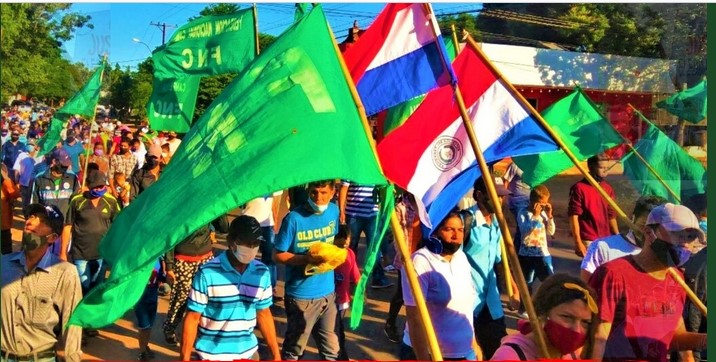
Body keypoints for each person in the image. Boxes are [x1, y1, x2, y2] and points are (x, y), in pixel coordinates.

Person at [589, 203, 707, 361]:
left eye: (690, 237)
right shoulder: (613, 274)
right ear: (649, 232)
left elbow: (672, 337)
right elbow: (597, 338)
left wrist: (705, 340)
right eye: (677, 234)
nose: (685, 244)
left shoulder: (676, 280)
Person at [181, 215, 279, 361]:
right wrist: (184, 358)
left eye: (255, 243)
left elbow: (263, 314)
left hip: (248, 354)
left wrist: (276, 355)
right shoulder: (207, 274)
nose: (251, 248)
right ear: (230, 241)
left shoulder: (262, 273)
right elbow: (193, 318)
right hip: (212, 356)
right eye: (245, 242)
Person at [1, 204, 83, 362]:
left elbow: (72, 326)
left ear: (53, 237)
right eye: (31, 217)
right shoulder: (3, 264)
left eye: (42, 221)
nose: (31, 222)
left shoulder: (65, 273)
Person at [274, 179, 341, 360]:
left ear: (333, 192)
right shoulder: (294, 219)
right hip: (300, 298)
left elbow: (335, 241)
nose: (318, 198)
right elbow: (277, 255)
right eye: (314, 193)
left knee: (332, 351)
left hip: (328, 294)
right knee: (294, 351)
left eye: (323, 193)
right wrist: (305, 259)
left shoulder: (334, 211)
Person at [401, 211, 479, 360]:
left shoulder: (461, 258)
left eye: (460, 230)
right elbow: (414, 318)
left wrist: (474, 347)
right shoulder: (421, 261)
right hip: (432, 354)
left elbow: (465, 309)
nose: (456, 236)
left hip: (465, 353)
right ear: (435, 231)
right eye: (449, 230)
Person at [462, 177, 520, 360]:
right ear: (479, 196)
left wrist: (514, 288)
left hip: (491, 299)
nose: (499, 201)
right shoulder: (465, 222)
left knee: (498, 349)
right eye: (494, 196)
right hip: (466, 301)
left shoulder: (497, 223)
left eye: (502, 197)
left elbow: (500, 260)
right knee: (469, 353)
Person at [492, 273, 598, 360]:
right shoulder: (510, 356)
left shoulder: (574, 354)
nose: (577, 330)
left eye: (585, 322)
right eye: (567, 317)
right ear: (542, 314)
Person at [580, 195, 667, 282]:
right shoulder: (602, 247)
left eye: (656, 227)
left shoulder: (665, 256)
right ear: (632, 218)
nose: (650, 232)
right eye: (644, 224)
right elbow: (586, 287)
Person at [162, 224, 216, 346]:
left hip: (205, 258)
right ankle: (169, 329)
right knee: (180, 298)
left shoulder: (207, 206)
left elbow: (224, 227)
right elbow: (171, 234)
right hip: (183, 260)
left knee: (208, 298)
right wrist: (169, 266)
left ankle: (204, 332)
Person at [338, 180, 392, 288]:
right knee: (350, 247)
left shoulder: (375, 168)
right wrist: (341, 211)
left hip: (372, 215)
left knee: (374, 248)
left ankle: (378, 278)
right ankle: (349, 275)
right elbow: (343, 189)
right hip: (353, 214)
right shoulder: (352, 168)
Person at [385, 191, 422, 343]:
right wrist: (404, 257)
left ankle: (417, 327)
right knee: (402, 294)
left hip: (423, 257)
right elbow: (396, 235)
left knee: (420, 295)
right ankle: (390, 323)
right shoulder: (400, 208)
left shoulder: (424, 204)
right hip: (406, 260)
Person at [516, 184, 555, 318]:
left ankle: (550, 309)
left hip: (542, 254)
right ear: (533, 202)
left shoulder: (544, 214)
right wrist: (535, 216)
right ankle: (524, 308)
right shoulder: (523, 213)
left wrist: (549, 216)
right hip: (526, 254)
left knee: (550, 281)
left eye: (546, 203)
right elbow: (525, 231)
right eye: (541, 203)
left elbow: (551, 231)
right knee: (527, 283)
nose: (543, 206)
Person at [569, 154, 619, 258]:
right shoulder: (579, 188)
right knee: (591, 273)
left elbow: (611, 216)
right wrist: (578, 242)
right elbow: (573, 216)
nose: (605, 171)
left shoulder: (608, 188)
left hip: (606, 240)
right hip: (589, 240)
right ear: (591, 167)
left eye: (607, 168)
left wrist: (618, 237)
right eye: (601, 168)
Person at [241, 192, 283, 297]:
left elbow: (276, 202)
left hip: (267, 225)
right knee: (246, 256)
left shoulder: (273, 179)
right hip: (248, 222)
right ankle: (245, 287)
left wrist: (275, 220)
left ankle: (270, 288)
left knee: (269, 257)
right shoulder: (248, 178)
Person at [333, 224, 360, 361]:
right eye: (342, 238)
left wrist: (361, 292)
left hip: (343, 300)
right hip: (329, 300)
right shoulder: (328, 255)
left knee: (339, 329)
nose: (346, 242)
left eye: (348, 238)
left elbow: (356, 276)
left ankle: (340, 354)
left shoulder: (350, 253)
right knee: (334, 330)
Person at [31, 148, 80, 219]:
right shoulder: (40, 178)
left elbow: (76, 200)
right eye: (63, 165)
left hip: (66, 223)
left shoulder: (73, 178)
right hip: (46, 223)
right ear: (54, 161)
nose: (65, 167)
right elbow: (34, 202)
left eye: (67, 165)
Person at [134, 259, 165, 361]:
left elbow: (161, 273)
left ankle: (145, 346)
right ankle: (142, 352)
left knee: (149, 325)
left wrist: (162, 279)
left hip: (152, 294)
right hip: (140, 295)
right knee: (144, 327)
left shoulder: (159, 257)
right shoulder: (139, 256)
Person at [502, 161, 531, 246]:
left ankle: (520, 251)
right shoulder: (514, 165)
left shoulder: (532, 164)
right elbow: (506, 181)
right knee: (521, 225)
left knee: (526, 225)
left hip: (529, 200)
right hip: (517, 201)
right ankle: (516, 251)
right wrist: (503, 199)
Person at [1, 164, 20, 254]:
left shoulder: (4, 184)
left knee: (6, 250)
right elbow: (15, 193)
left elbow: (15, 193)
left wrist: (6, 179)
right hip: (4, 224)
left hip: (4, 225)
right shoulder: (5, 183)